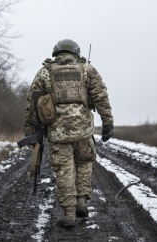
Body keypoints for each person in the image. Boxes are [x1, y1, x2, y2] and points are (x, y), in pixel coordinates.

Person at [24, 39, 114, 227]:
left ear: (56, 52)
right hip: (83, 131)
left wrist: (31, 131)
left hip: (58, 132)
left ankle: (69, 214)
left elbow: (32, 103)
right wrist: (107, 123)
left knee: (64, 170)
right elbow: (101, 96)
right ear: (76, 52)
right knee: (83, 164)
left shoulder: (45, 72)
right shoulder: (87, 70)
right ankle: (81, 201)